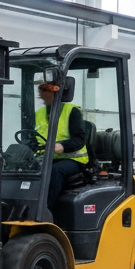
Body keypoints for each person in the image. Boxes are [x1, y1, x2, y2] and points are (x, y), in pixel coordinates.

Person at [34, 81, 88, 210]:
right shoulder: (39, 113)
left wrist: (62, 146)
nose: (41, 95)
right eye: (40, 91)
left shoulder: (71, 111)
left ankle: (44, 210)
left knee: (54, 171)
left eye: (44, 91)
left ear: (56, 92)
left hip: (72, 159)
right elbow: (32, 138)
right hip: (46, 158)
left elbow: (79, 139)